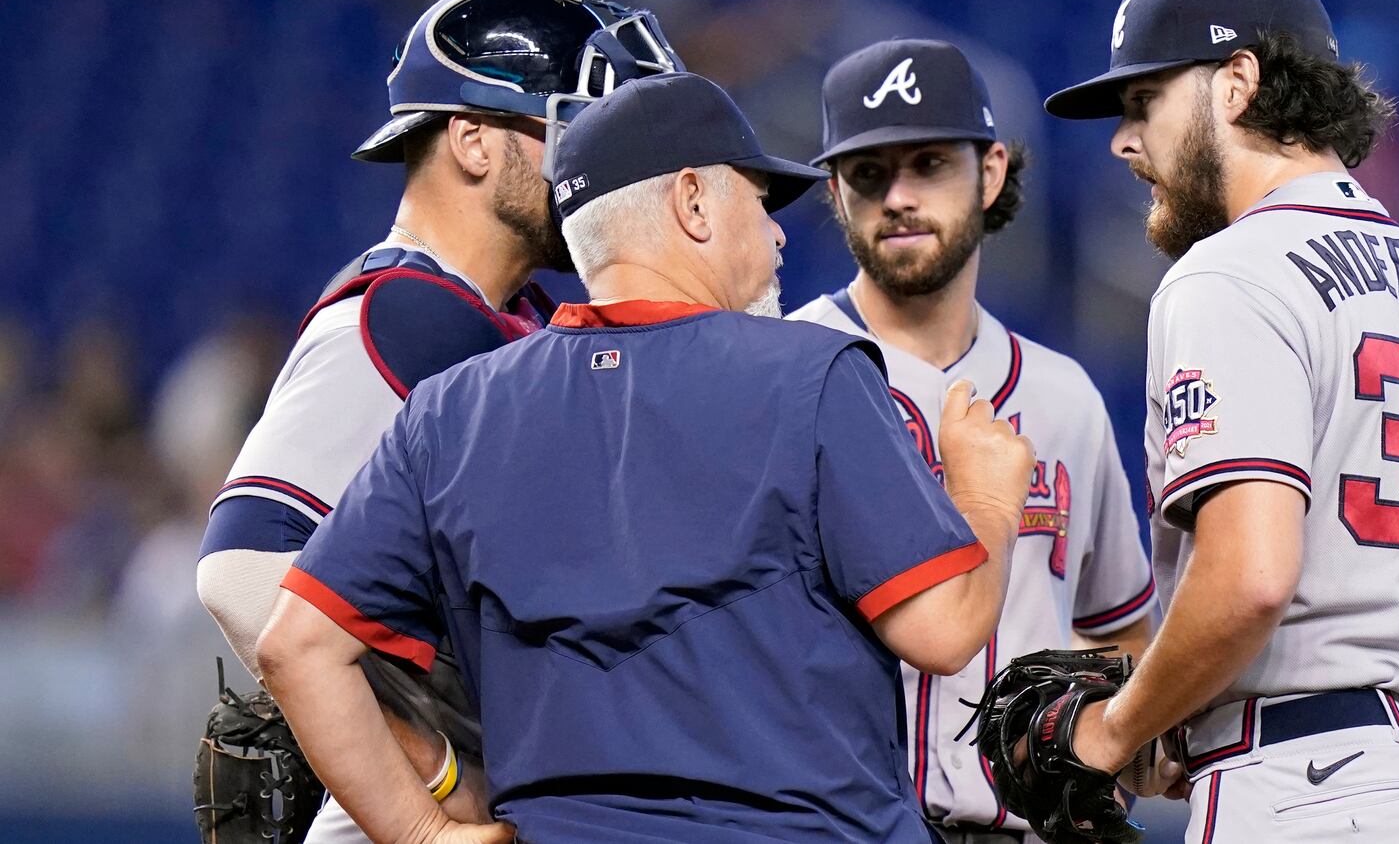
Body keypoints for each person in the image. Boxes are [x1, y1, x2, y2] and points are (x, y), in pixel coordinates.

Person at [255, 70, 1037, 844]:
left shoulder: (451, 410)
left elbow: (295, 646)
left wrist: (423, 832)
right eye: (759, 203)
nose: (777, 234)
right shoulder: (814, 374)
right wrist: (989, 499)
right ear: (693, 201)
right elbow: (944, 631)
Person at [1044, 0, 1399, 841]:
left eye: (1143, 101)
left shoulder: (1226, 274)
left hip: (1308, 793)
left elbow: (1251, 577)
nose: (1121, 138)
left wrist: (1116, 730)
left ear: (1237, 83)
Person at [194, 0, 683, 842]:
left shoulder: (507, 314)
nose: (598, 171)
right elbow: (243, 571)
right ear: (473, 140)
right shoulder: (402, 312)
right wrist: (433, 796)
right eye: (574, 132)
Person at [788, 38, 1154, 843]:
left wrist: (1107, 773)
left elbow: (1120, 624)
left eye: (929, 164)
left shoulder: (1065, 398)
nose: (899, 197)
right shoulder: (779, 372)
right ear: (836, 193)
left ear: (990, 172)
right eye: (870, 174)